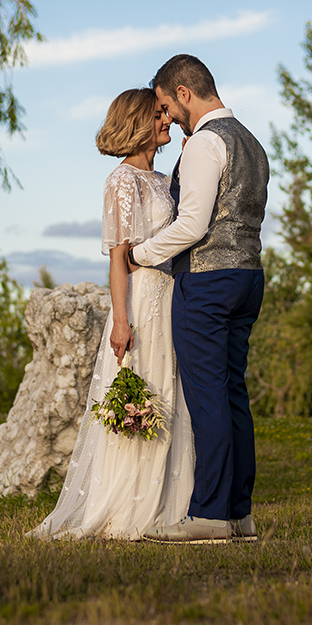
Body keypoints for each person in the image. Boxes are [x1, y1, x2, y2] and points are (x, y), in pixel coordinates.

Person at [31, 89, 195, 540]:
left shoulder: (163, 179)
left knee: (170, 394)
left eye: (166, 112)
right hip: (142, 300)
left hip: (173, 297)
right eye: (160, 114)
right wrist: (120, 320)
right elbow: (118, 257)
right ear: (140, 121)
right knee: (140, 393)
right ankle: (128, 506)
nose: (168, 119)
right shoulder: (121, 181)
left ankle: (169, 504)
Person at [131, 54, 269, 544]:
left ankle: (209, 513)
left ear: (184, 93)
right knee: (232, 394)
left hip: (209, 281)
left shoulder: (205, 143)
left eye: (167, 105)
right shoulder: (250, 141)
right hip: (248, 276)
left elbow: (192, 225)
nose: (166, 116)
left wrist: (140, 255)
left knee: (208, 396)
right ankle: (238, 515)